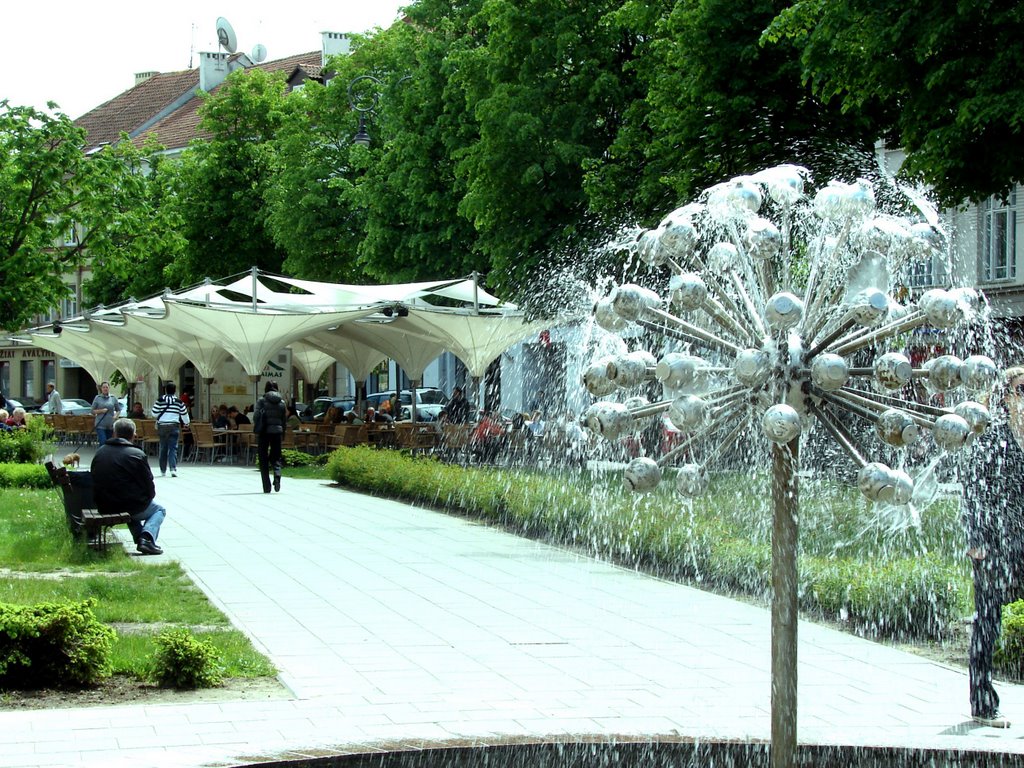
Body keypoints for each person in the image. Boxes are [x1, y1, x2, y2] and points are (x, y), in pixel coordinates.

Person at [961, 364, 1024, 728]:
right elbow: (974, 490)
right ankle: (983, 705)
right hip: (995, 546)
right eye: (1021, 390)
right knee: (987, 623)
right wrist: (975, 541)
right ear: (1006, 397)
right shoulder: (992, 440)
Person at [90, 418, 166, 555]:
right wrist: (147, 498)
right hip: (128, 505)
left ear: (114, 434)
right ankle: (147, 538)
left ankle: (140, 539)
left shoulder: (100, 452)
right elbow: (149, 485)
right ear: (134, 435)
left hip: (104, 504)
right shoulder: (136, 455)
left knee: (129, 505)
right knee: (159, 510)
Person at [254, 381, 287, 493]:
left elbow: (256, 416)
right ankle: (277, 475)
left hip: (264, 432)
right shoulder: (282, 402)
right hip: (277, 433)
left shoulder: (261, 401)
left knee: (263, 459)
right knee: (276, 457)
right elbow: (284, 420)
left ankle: (267, 487)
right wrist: (283, 433)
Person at [152, 382, 190, 478]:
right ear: (175, 390)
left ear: (165, 390)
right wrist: (186, 423)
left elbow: (154, 413)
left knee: (163, 448)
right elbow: (184, 414)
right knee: (173, 448)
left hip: (162, 426)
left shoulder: (160, 400)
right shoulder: (179, 401)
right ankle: (173, 468)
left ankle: (163, 470)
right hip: (174, 426)